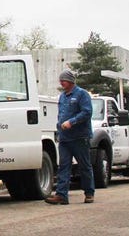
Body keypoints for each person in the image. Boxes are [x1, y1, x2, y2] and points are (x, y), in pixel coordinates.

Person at [45, 69, 94, 205]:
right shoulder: (62, 96)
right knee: (63, 167)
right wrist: (59, 128)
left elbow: (87, 112)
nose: (61, 82)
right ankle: (61, 195)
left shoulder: (82, 94)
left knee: (84, 166)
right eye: (60, 80)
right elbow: (61, 115)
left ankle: (89, 193)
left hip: (80, 137)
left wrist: (71, 122)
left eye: (64, 80)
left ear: (71, 81)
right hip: (65, 138)